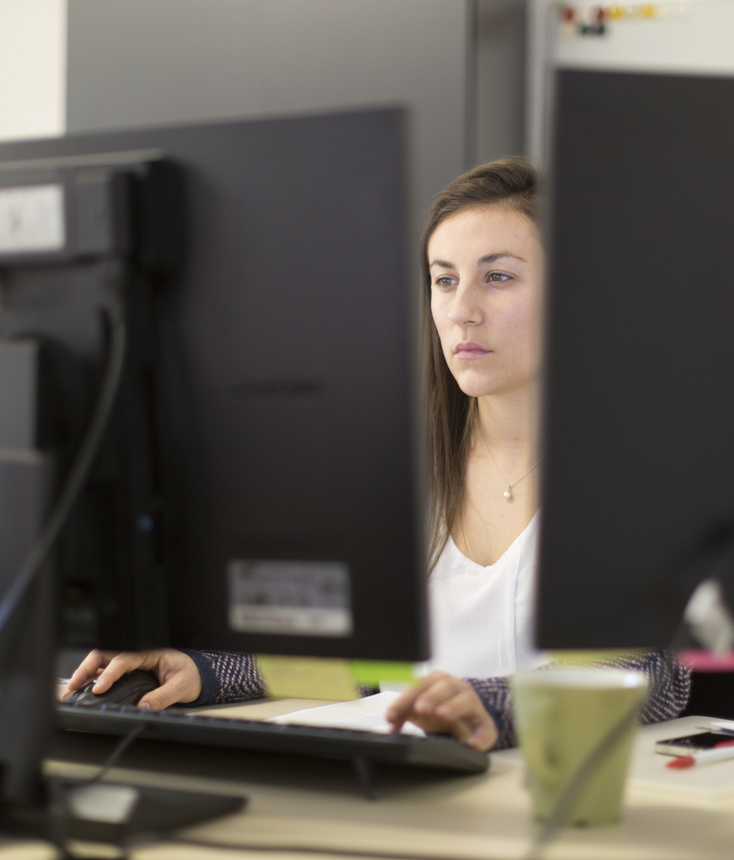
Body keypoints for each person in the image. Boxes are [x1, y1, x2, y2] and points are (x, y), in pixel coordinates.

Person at [63, 158, 691, 751]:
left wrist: (491, 706)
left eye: (497, 277)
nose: (461, 310)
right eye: (444, 280)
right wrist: (206, 670)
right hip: (413, 791)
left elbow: (648, 676)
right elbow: (359, 662)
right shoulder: (408, 474)